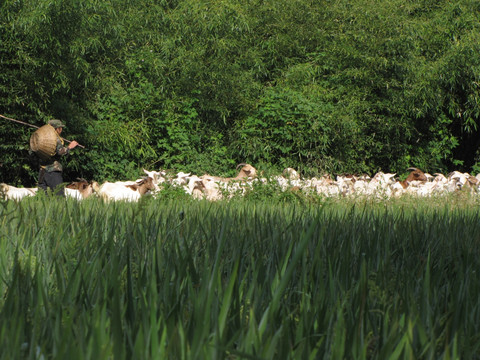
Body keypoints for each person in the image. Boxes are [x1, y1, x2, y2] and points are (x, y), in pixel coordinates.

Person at [37, 119, 79, 196]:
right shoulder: (55, 139)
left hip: (42, 171)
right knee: (59, 196)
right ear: (57, 129)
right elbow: (60, 152)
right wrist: (69, 147)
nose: (61, 130)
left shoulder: (41, 139)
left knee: (42, 197)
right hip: (53, 172)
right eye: (60, 128)